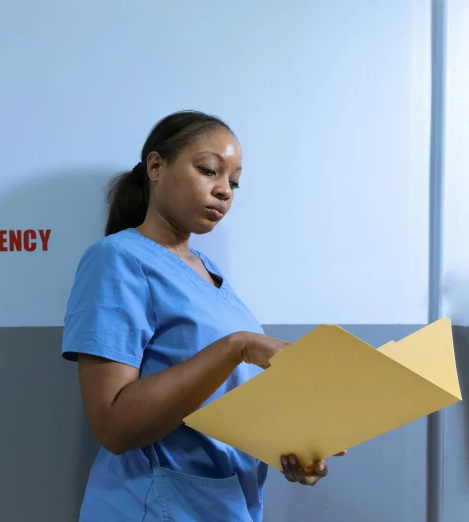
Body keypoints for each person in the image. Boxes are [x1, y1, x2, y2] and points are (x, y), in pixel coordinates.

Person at [61, 110, 346, 521]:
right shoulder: (117, 259)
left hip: (226, 505)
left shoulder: (212, 277)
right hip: (154, 506)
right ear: (156, 166)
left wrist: (292, 443)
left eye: (234, 182)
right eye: (209, 170)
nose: (225, 191)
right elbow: (114, 425)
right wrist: (238, 346)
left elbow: (219, 403)